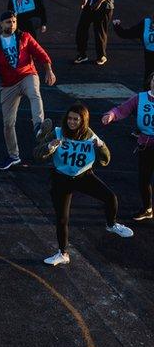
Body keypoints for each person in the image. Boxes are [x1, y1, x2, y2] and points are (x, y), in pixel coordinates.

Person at [34, 103, 133, 266]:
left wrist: (101, 147)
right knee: (62, 218)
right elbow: (37, 154)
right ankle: (63, 253)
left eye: (76, 120)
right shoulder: (58, 132)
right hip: (61, 178)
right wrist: (49, 147)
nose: (71, 122)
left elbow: (106, 160)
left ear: (83, 121)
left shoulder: (91, 136)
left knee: (111, 197)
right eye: (70, 119)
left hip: (83, 176)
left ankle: (111, 224)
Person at [0, 11, 56, 171]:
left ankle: (39, 127)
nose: (12, 25)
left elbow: (41, 53)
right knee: (8, 123)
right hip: (8, 84)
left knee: (35, 94)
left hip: (27, 74)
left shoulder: (25, 37)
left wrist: (49, 70)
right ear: (1, 24)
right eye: (8, 22)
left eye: (14, 22)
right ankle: (13, 156)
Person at [101, 75, 154, 221]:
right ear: (150, 82)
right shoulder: (140, 98)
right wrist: (111, 115)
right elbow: (123, 109)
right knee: (144, 179)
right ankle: (147, 208)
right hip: (145, 144)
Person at [112, 14, 154, 88]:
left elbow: (126, 34)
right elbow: (126, 34)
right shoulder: (145, 24)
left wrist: (117, 27)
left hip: (149, 65)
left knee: (149, 83)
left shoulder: (146, 24)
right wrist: (118, 27)